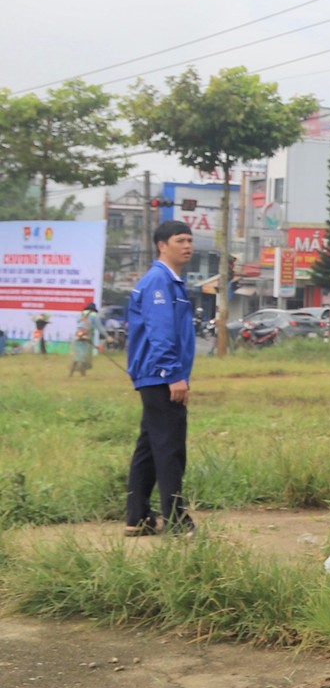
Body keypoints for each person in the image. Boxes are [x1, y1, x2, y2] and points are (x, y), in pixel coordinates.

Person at [125, 221, 198, 536]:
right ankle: (176, 520)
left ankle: (137, 517)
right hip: (160, 375)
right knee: (170, 448)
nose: (187, 245)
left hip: (157, 375)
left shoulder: (172, 282)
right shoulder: (159, 281)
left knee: (150, 446)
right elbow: (160, 331)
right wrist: (173, 374)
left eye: (190, 240)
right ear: (162, 245)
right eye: (180, 240)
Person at [68, 301, 100, 377]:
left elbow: (78, 324)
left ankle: (71, 373)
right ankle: (83, 373)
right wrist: (107, 336)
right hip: (87, 336)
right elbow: (99, 327)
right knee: (84, 356)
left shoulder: (80, 315)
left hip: (78, 335)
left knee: (77, 355)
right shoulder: (94, 316)